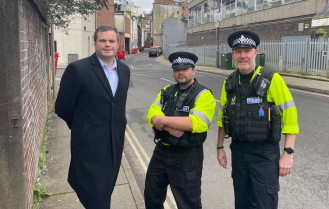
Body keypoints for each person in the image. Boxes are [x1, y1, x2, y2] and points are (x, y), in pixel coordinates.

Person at [216, 31, 299, 209]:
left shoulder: (272, 79)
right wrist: (220, 147)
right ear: (233, 54)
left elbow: (290, 116)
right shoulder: (228, 82)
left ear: (256, 52)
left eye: (247, 50)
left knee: (265, 202)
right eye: (238, 51)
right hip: (238, 151)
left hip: (264, 153)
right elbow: (223, 119)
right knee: (242, 201)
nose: (243, 55)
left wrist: (288, 153)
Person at [55, 24, 130, 209]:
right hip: (89, 145)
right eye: (102, 40)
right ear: (94, 42)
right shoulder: (78, 69)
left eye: (111, 41)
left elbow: (117, 105)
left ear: (118, 45)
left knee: (106, 190)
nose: (107, 44)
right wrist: (84, 128)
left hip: (115, 143)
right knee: (95, 197)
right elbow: (63, 107)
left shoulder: (125, 70)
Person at [145, 52, 216, 209]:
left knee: (188, 202)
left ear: (193, 70)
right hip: (162, 151)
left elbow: (197, 123)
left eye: (185, 69)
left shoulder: (203, 94)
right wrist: (169, 127)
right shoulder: (167, 90)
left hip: (187, 157)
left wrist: (163, 120)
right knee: (151, 196)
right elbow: (152, 113)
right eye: (177, 69)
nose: (181, 72)